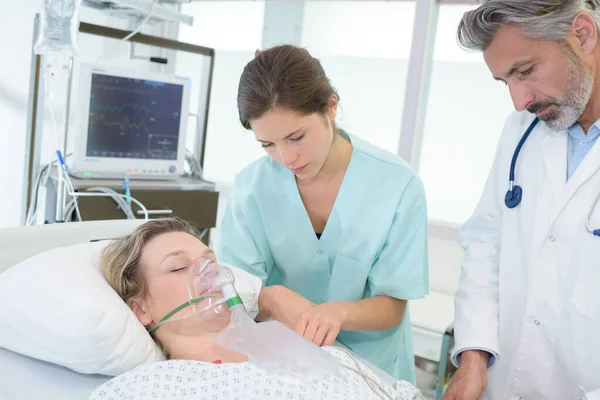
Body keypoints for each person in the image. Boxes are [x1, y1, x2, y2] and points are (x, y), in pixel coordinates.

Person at [217, 44, 429, 383]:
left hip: (372, 370)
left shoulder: (396, 184)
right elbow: (234, 292)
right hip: (284, 368)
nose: (286, 158)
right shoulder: (251, 187)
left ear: (331, 107)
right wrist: (271, 296)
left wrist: (338, 313)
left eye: (296, 137)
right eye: (268, 145)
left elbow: (393, 304)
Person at [443, 1, 600, 400]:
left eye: (525, 71)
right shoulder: (521, 131)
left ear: (582, 35)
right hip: (506, 381)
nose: (519, 101)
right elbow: (486, 241)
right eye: (505, 81)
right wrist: (474, 356)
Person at [98, 217, 425, 400]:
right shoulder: (153, 388)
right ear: (141, 310)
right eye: (179, 268)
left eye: (210, 262)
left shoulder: (312, 352)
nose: (207, 272)